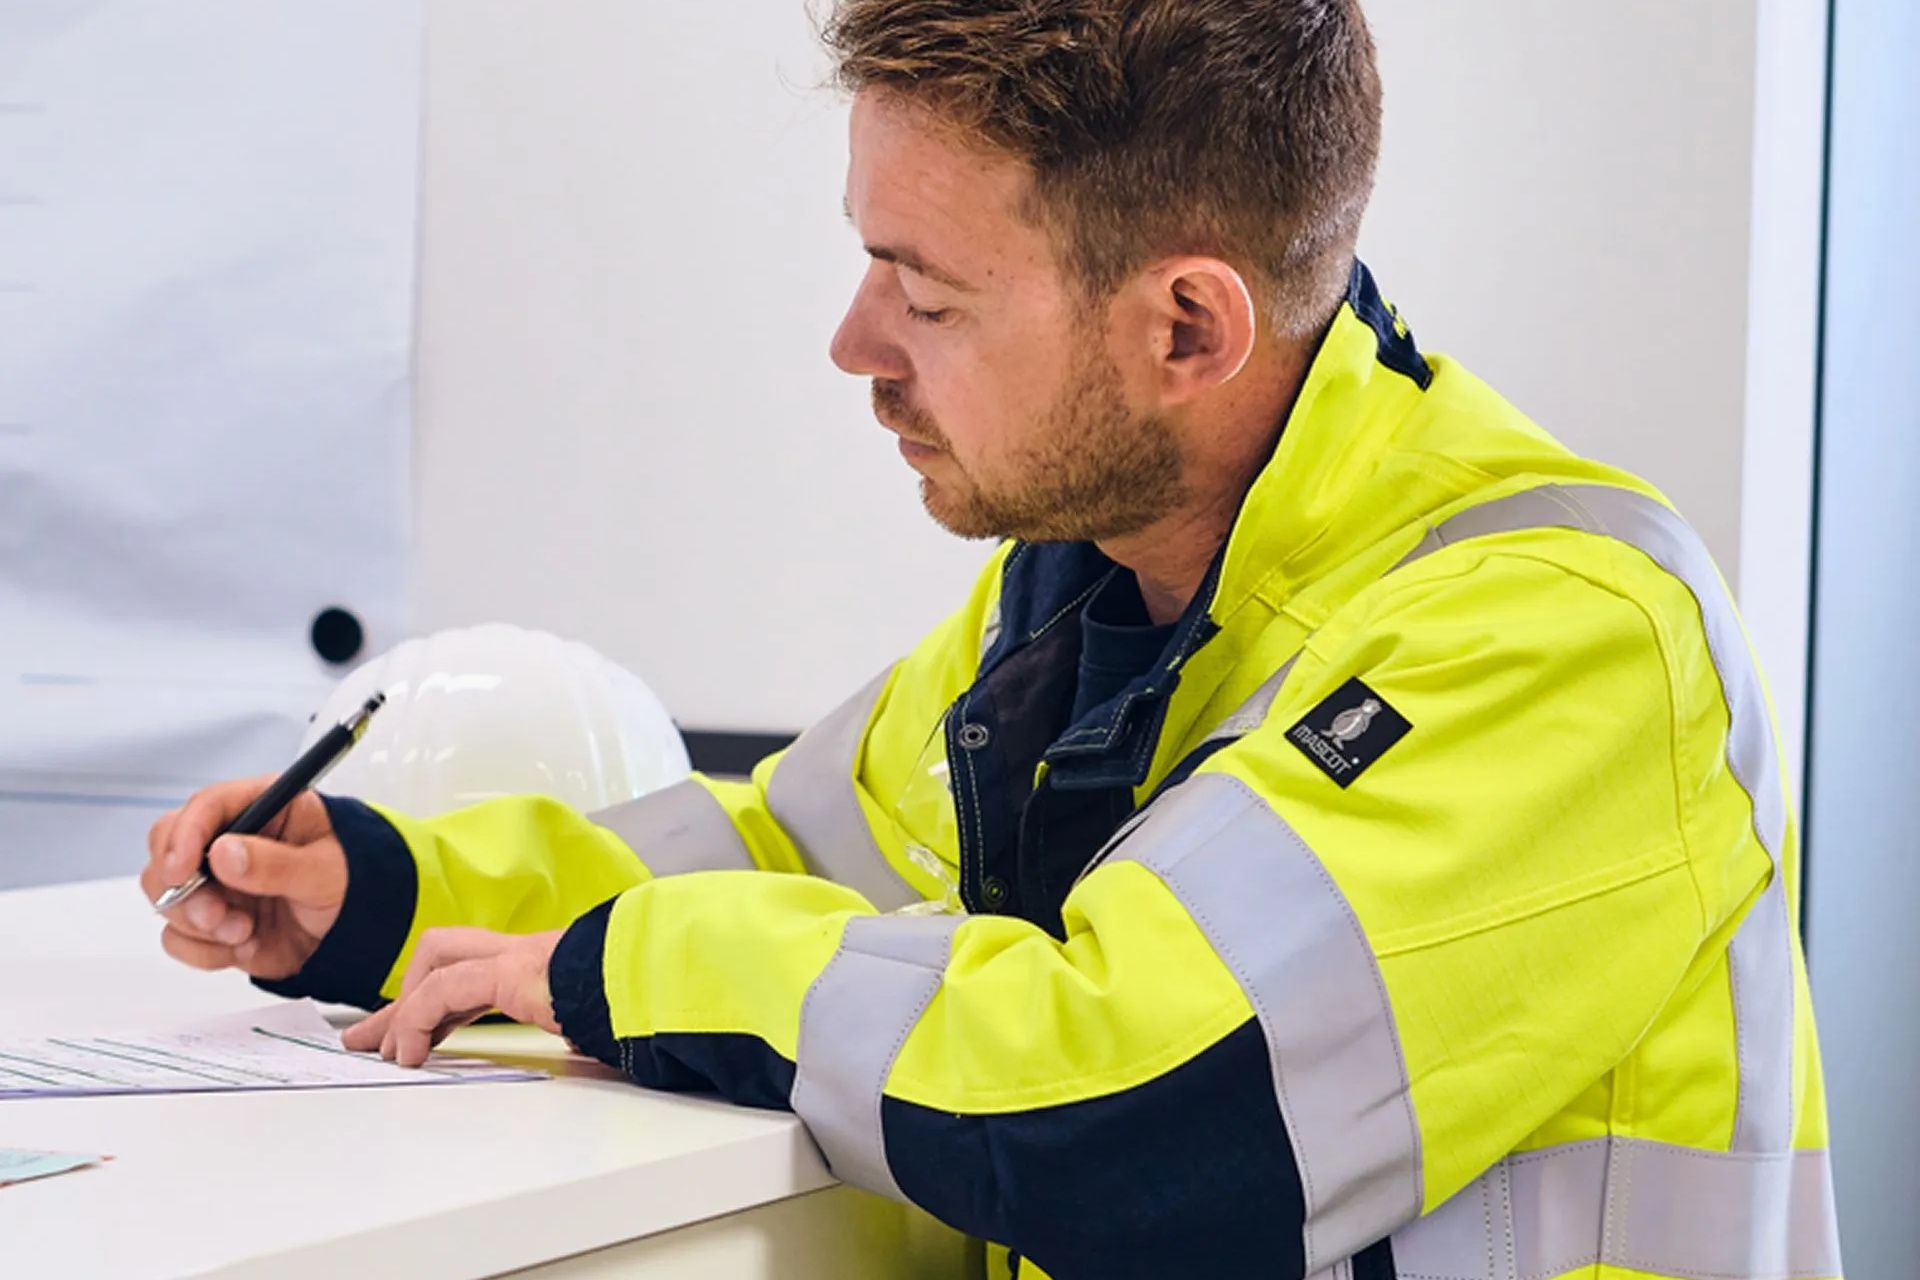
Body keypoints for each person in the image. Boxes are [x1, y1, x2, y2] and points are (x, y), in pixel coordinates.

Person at [139, 2, 1843, 1277]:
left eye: (927, 293)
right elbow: (789, 854)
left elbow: (1135, 1103)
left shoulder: (1567, 638)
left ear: (1187, 324)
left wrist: (632, 967)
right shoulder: (1107, 588)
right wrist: (377, 894)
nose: (854, 342)